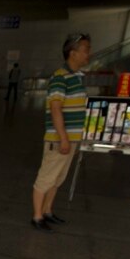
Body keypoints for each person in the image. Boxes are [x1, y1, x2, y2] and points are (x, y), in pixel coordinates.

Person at [31, 34, 91, 230]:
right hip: (59, 140)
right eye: (85, 49)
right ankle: (37, 216)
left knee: (57, 179)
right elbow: (56, 109)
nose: (87, 54)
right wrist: (63, 138)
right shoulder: (59, 77)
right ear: (72, 53)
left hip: (70, 139)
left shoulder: (77, 77)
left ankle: (48, 210)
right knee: (46, 178)